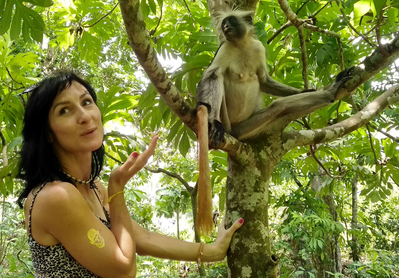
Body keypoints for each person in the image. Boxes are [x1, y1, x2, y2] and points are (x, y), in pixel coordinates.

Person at [16, 71, 243, 278]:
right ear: (46, 133)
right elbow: (124, 269)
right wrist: (117, 188)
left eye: (87, 102)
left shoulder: (94, 188)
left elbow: (142, 239)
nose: (84, 115)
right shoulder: (56, 196)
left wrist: (212, 251)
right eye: (64, 110)